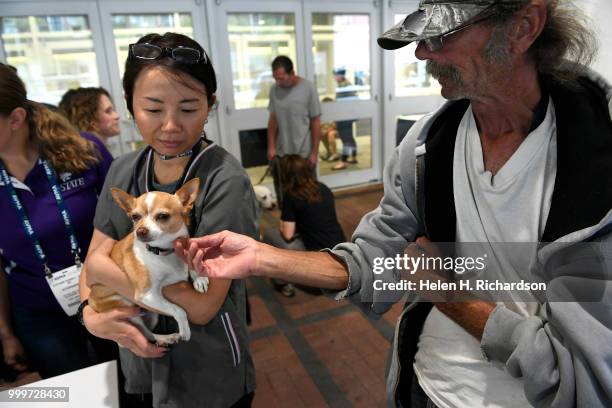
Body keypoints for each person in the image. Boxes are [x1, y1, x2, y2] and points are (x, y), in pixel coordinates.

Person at [177, 1, 612, 407]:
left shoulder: (595, 169)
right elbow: (377, 261)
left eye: (442, 36)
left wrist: (446, 294)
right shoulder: (427, 146)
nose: (422, 53)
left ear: (522, 28)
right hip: (422, 385)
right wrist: (263, 257)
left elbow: (578, 374)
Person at [78, 32, 257, 408]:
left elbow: (203, 305)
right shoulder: (124, 170)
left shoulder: (224, 179)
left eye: (189, 108)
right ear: (129, 105)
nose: (171, 125)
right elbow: (89, 267)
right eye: (154, 109)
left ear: (210, 105)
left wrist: (116, 275)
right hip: (138, 353)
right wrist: (89, 315)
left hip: (207, 365)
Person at [0, 63, 115, 379]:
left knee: (129, 385)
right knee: (72, 393)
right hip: (39, 312)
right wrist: (6, 333)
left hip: (107, 292)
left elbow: (126, 221)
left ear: (16, 118)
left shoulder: (84, 150)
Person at [263, 155, 345, 297]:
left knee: (270, 235)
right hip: (341, 251)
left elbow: (287, 234)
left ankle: (283, 283)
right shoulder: (323, 187)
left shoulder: (292, 195)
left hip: (319, 259)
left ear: (285, 175)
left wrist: (283, 221)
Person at [267, 55, 322, 168]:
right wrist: (271, 146)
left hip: (304, 155)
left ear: (292, 73)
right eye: (275, 78)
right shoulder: (274, 90)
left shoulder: (308, 88)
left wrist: (314, 152)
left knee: (306, 186)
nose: (278, 82)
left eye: (281, 78)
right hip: (282, 154)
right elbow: (273, 119)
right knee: (283, 185)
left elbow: (315, 121)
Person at [331, 68, 358, 171]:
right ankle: (354, 157)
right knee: (349, 138)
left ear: (339, 75)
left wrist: (337, 117)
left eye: (334, 75)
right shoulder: (347, 84)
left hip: (344, 117)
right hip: (348, 116)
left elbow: (340, 104)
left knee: (345, 139)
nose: (334, 77)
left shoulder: (344, 86)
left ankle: (343, 161)